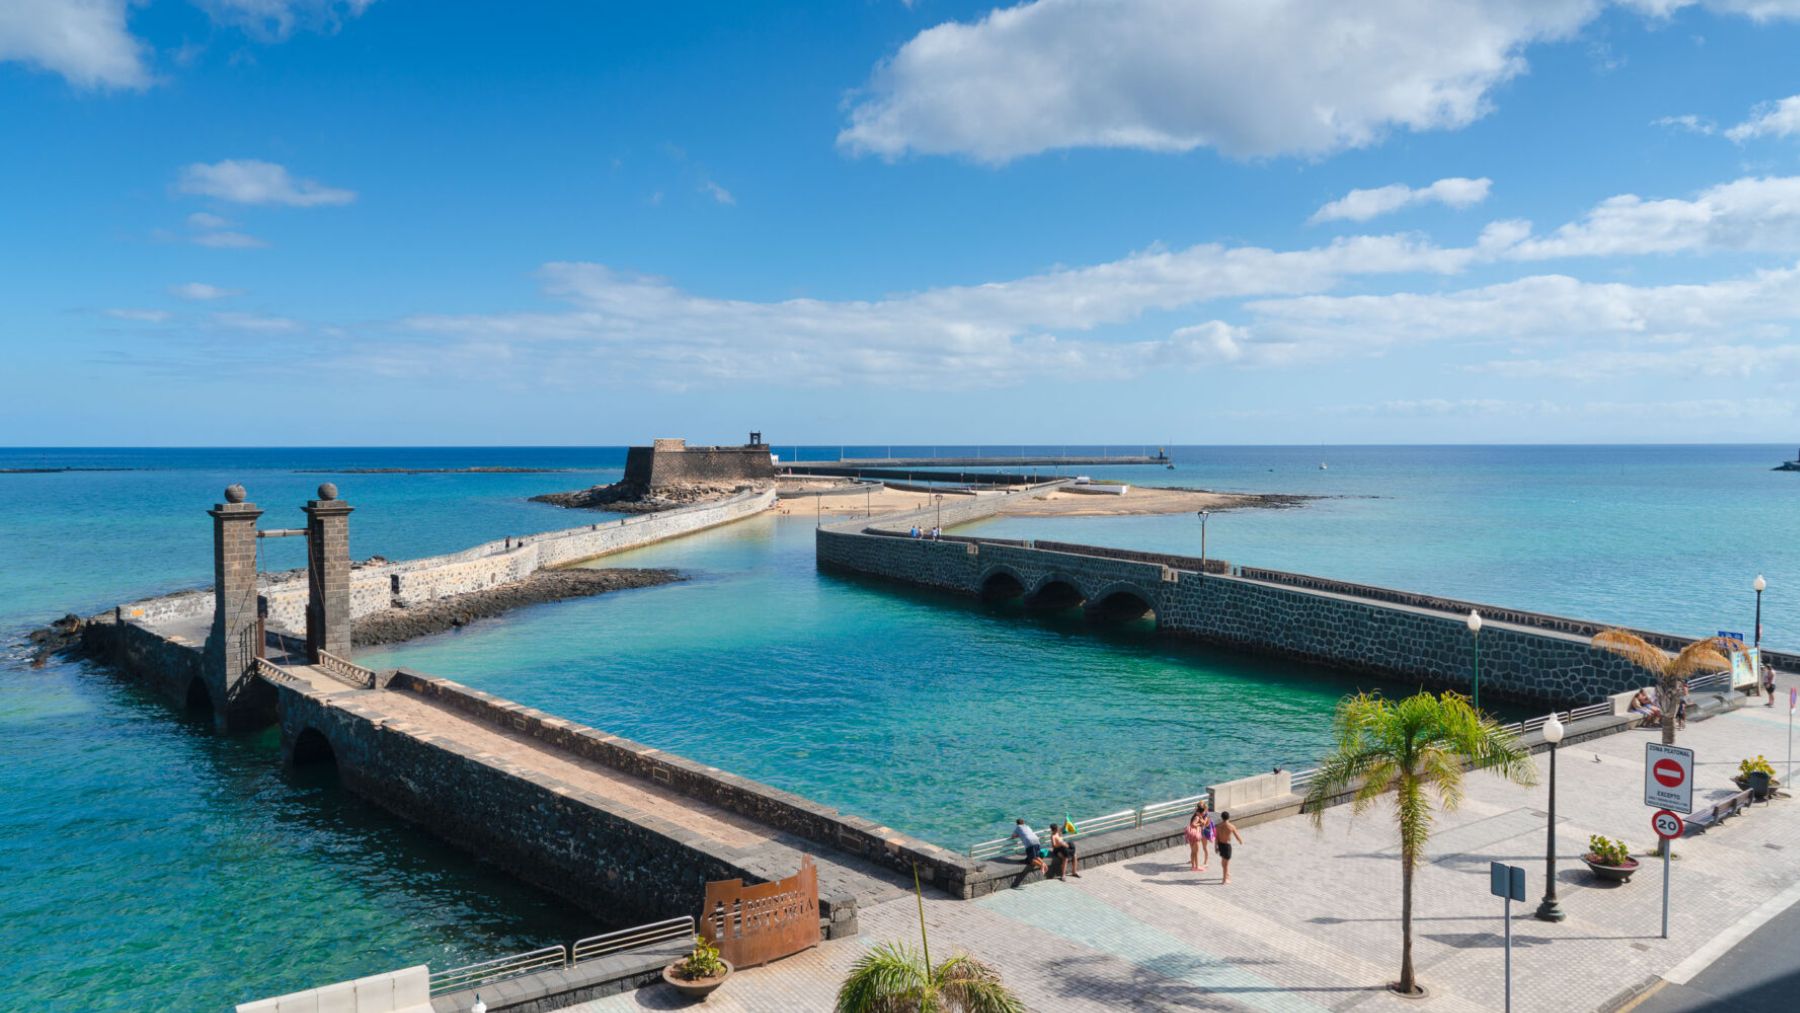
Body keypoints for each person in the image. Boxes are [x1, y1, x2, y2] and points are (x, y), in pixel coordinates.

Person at [1215, 812, 1244, 883]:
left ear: (1222, 818)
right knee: (1226, 864)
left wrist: (1216, 847)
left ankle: (1226, 874)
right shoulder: (1231, 826)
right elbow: (1237, 836)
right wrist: (1241, 841)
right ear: (1228, 818)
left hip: (1220, 844)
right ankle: (1224, 880)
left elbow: (1216, 838)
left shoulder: (1218, 826)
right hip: (1227, 846)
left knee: (1223, 861)